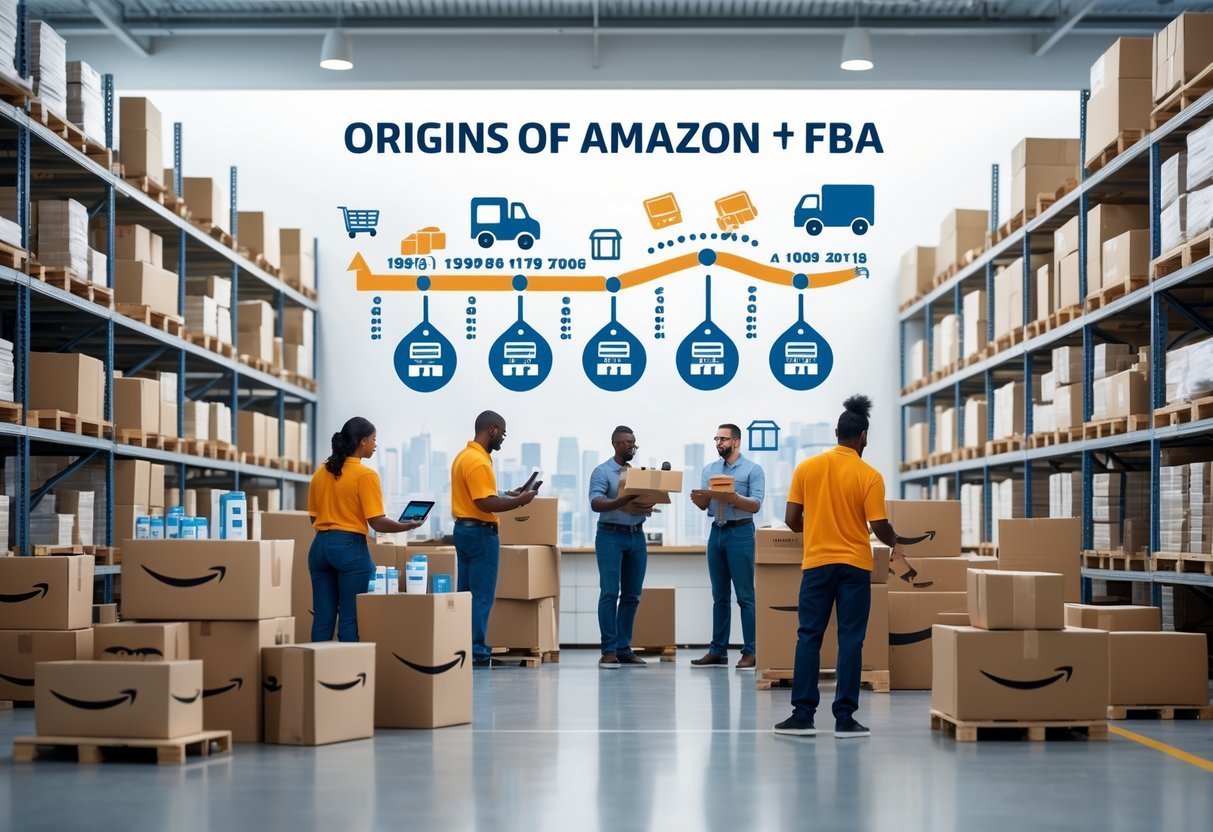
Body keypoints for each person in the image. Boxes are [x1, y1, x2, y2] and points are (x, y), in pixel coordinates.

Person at [773, 395, 903, 739]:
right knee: (851, 640)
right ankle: (845, 719)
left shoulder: (806, 468)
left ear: (836, 432)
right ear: (864, 436)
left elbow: (791, 520)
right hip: (854, 568)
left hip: (817, 565)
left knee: (808, 637)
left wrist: (817, 526)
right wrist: (895, 541)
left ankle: (802, 716)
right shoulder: (870, 475)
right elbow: (879, 526)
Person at [308, 417, 422, 642]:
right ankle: (350, 664)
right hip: (349, 548)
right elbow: (377, 522)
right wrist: (407, 525)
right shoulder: (365, 475)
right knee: (350, 618)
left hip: (319, 548)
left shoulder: (321, 472)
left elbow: (313, 516)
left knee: (322, 617)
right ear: (362, 441)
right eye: (373, 439)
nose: (375, 445)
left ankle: (318, 664)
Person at [451, 410, 537, 668]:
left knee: (466, 595)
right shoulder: (479, 462)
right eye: (503, 433)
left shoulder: (463, 457)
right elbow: (485, 502)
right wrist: (521, 501)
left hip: (463, 530)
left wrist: (509, 494)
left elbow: (480, 494)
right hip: (481, 534)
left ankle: (464, 649)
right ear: (492, 430)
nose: (503, 439)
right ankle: (478, 653)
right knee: (481, 596)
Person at [689, 423, 765, 671]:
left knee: (745, 596)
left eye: (723, 439)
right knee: (719, 597)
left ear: (736, 442)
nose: (718, 443)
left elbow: (756, 504)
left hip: (741, 533)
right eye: (716, 439)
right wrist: (699, 499)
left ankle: (751, 652)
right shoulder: (709, 470)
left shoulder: (753, 470)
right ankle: (717, 651)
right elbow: (705, 505)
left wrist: (734, 498)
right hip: (717, 533)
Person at [589, 425, 654, 669]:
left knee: (632, 595)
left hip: (636, 536)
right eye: (627, 442)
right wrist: (620, 501)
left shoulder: (636, 474)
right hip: (610, 536)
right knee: (609, 593)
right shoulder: (602, 472)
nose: (632, 446)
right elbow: (596, 502)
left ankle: (623, 649)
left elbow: (641, 501)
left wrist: (646, 505)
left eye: (634, 442)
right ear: (616, 444)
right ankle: (608, 651)